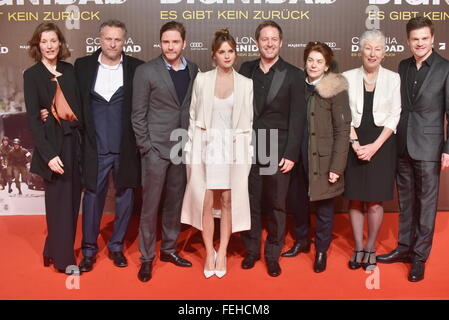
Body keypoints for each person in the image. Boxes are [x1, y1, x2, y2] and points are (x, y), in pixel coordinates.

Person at [377, 17, 449, 282]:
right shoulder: (403, 66)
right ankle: (404, 248)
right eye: (414, 39)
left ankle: (419, 257)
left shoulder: (445, 68)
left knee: (427, 204)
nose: (419, 43)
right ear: (408, 41)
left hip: (430, 147)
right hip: (402, 145)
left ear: (433, 39)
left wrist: (447, 148)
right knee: (406, 202)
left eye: (424, 38)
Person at [181, 29, 253, 279]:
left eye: (231, 51)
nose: (227, 56)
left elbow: (249, 124)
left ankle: (222, 251)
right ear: (214, 55)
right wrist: (192, 149)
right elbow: (192, 116)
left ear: (235, 53)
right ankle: (209, 252)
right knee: (206, 201)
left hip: (233, 151)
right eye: (222, 52)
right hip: (206, 148)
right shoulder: (202, 80)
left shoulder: (246, 84)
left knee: (228, 201)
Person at [132, 21, 199, 282]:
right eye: (166, 42)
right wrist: (146, 147)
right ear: (160, 43)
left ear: (184, 43)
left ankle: (169, 249)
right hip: (155, 151)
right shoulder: (146, 71)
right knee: (150, 207)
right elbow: (137, 115)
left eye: (175, 42)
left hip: (182, 149)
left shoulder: (193, 69)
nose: (170, 46)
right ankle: (147, 258)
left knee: (174, 204)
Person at [74, 20, 143, 273]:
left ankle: (116, 247)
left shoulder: (137, 68)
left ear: (124, 41)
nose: (112, 44)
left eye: (117, 39)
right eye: (108, 38)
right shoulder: (83, 67)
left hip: (125, 147)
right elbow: (70, 101)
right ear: (99, 40)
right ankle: (89, 250)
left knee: (125, 198)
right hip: (95, 147)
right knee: (92, 198)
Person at [239, 20, 306, 277]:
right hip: (249, 145)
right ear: (257, 42)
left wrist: (290, 153)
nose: (269, 43)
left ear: (280, 42)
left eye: (273, 39)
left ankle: (272, 254)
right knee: (251, 201)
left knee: (277, 204)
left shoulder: (293, 74)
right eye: (264, 39)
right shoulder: (245, 69)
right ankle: (252, 250)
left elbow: (297, 118)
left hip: (277, 146)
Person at [282, 42, 351, 273]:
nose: (314, 65)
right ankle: (301, 241)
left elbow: (343, 130)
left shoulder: (335, 89)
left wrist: (337, 166)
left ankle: (321, 250)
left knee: (324, 206)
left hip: (323, 159)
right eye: (310, 60)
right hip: (298, 156)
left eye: (319, 61)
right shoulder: (298, 85)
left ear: (327, 65)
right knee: (298, 203)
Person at [23, 22, 83, 274]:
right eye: (44, 41)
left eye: (53, 40)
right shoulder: (32, 74)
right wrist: (48, 156)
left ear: (60, 44)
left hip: (74, 145)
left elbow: (79, 108)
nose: (49, 45)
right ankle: (64, 260)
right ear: (38, 45)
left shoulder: (70, 70)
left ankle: (51, 249)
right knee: (58, 205)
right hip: (53, 149)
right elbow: (34, 121)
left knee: (70, 206)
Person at [342, 30, 401, 271]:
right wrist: (356, 145)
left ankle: (371, 248)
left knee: (375, 202)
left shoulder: (393, 78)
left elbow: (395, 114)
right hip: (354, 141)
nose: (372, 53)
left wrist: (375, 147)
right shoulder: (346, 77)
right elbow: (343, 114)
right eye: (368, 48)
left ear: (384, 53)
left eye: (378, 49)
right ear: (360, 50)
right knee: (355, 200)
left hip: (382, 144)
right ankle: (357, 248)